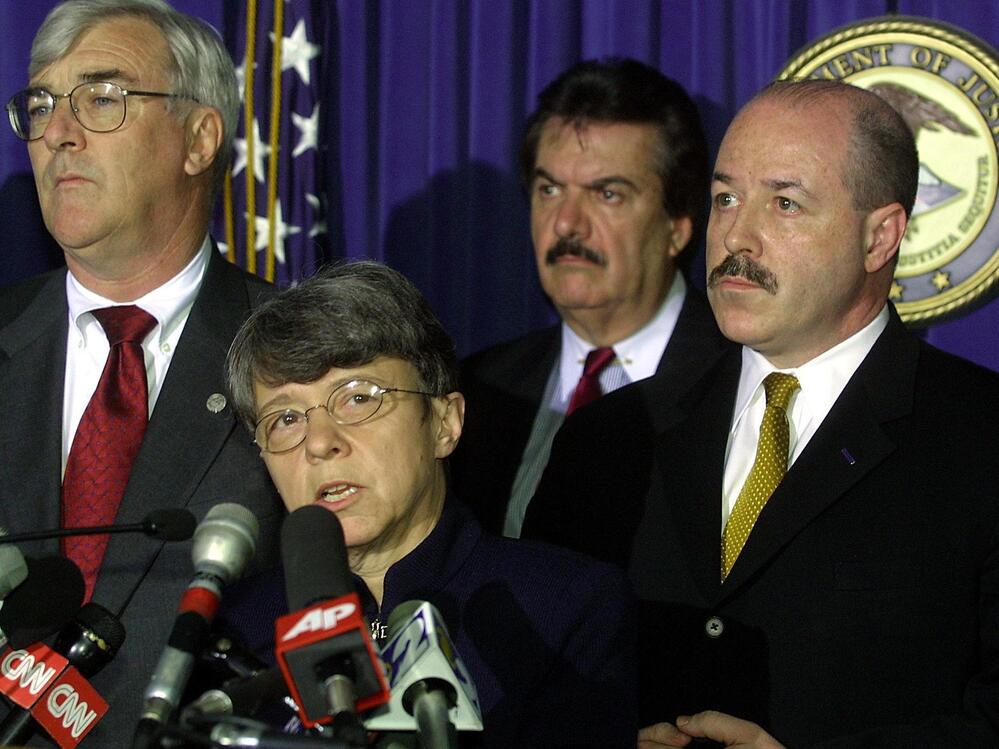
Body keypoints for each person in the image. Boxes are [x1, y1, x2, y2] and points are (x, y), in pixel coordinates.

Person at [528, 79, 999, 747]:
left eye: (783, 203)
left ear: (880, 237)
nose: (736, 237)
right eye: (725, 198)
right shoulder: (609, 438)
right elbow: (532, 680)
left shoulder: (981, 439)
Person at [0, 0, 283, 744]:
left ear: (198, 139)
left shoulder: (296, 357)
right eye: (40, 105)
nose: (58, 133)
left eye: (101, 99)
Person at [221, 260, 638, 748]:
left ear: (444, 421)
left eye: (357, 398)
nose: (319, 442)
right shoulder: (232, 628)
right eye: (286, 418)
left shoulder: (564, 606)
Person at [451, 57, 729, 537]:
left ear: (678, 226)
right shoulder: (477, 389)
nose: (566, 224)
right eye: (550, 189)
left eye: (608, 194)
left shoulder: (739, 383)